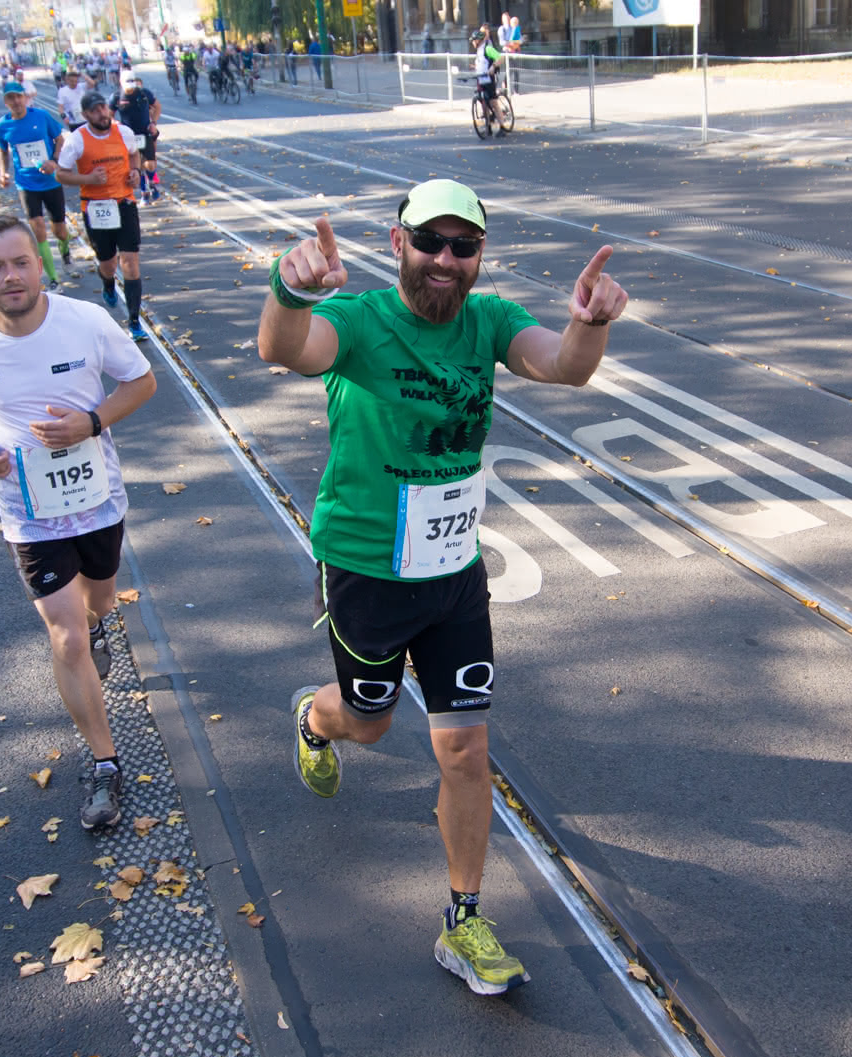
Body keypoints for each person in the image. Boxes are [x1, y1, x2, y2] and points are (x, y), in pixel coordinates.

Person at [255, 179, 627, 996]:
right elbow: (285, 350)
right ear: (398, 245)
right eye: (431, 242)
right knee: (371, 719)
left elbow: (563, 366)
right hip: (365, 568)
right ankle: (316, 718)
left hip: (454, 570)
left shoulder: (488, 320)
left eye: (464, 246)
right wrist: (290, 289)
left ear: (479, 257)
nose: (446, 261)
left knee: (464, 746)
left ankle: (465, 918)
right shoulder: (357, 321)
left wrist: (588, 324)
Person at [0, 213, 157, 833]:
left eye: (21, 262)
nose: (11, 276)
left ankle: (97, 621)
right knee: (65, 636)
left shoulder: (84, 320)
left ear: (40, 264)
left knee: (100, 600)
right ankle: (105, 763)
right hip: (27, 511)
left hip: (97, 498)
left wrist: (91, 422)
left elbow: (142, 380)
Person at [56, 92, 149, 342]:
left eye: (104, 109)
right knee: (108, 264)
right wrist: (88, 179)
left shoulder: (124, 132)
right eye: (95, 111)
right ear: (86, 115)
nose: (102, 114)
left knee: (130, 262)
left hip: (125, 202)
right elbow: (61, 175)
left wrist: (135, 172)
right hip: (96, 208)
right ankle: (108, 283)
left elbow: (133, 154)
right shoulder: (77, 140)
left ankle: (134, 320)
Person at [0, 80, 72, 291]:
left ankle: (65, 249)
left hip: (50, 181)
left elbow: (59, 139)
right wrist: (3, 172)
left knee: (60, 230)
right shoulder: (2, 126)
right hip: (26, 184)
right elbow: (2, 150)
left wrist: (54, 161)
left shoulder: (41, 116)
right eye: (11, 98)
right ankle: (53, 278)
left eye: (19, 96)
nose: (16, 101)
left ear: (25, 97)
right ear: (6, 101)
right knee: (38, 229)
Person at [115, 75, 162, 205]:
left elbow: (157, 106)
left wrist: (153, 123)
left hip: (145, 133)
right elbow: (109, 114)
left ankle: (152, 183)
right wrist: (117, 125)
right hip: (128, 136)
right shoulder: (116, 97)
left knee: (150, 164)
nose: (130, 90)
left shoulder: (144, 93)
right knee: (137, 166)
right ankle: (144, 192)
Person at [471, 28, 508, 135]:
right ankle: (488, 127)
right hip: (480, 79)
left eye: (474, 40)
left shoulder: (487, 48)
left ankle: (502, 127)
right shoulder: (478, 50)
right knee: (484, 103)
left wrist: (493, 67)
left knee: (493, 102)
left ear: (478, 40)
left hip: (488, 79)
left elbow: (500, 58)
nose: (473, 43)